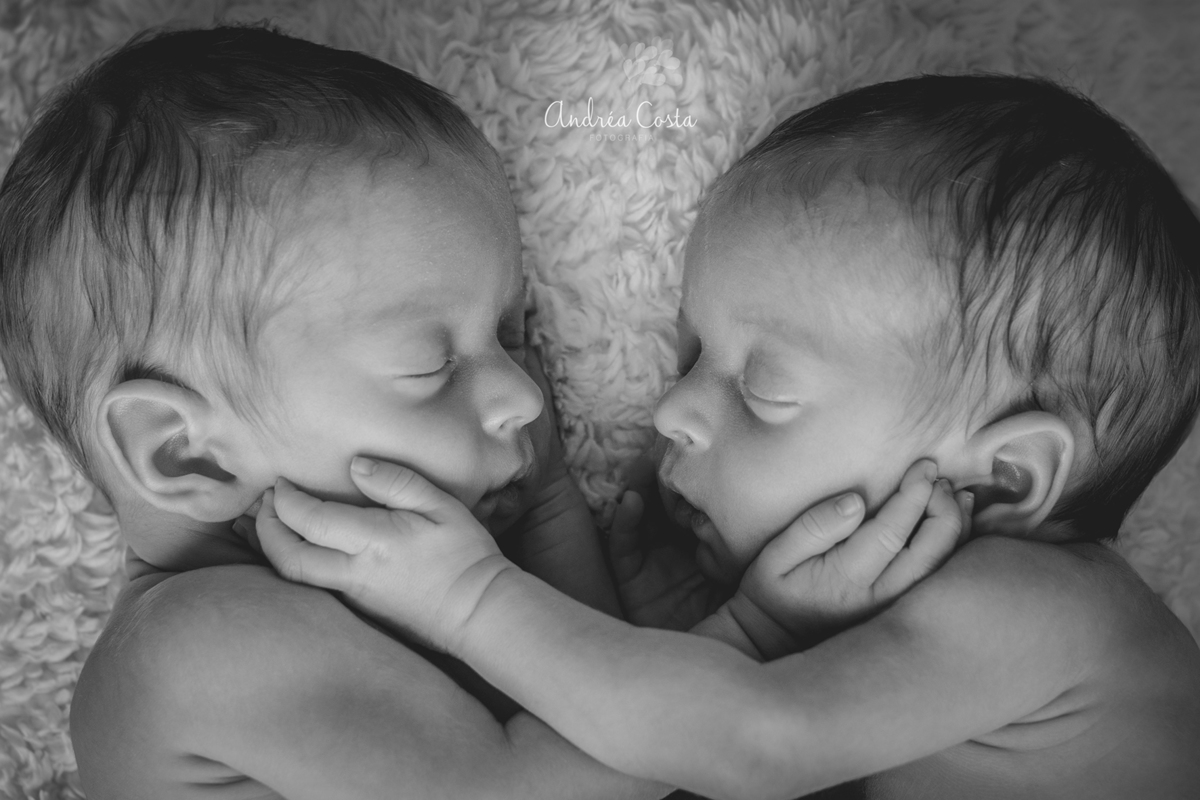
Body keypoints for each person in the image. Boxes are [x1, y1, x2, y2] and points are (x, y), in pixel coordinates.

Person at [0, 24, 947, 800]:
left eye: (508, 333)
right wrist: (757, 634)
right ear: (186, 454)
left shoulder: (348, 595)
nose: (522, 393)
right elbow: (548, 779)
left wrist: (546, 501)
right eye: (432, 362)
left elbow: (568, 697)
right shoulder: (198, 645)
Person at [254, 75, 1200, 799]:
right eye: (690, 357)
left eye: (762, 388)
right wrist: (695, 636)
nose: (673, 411)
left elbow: (748, 749)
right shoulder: (891, 649)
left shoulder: (1038, 609)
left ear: (1003, 478)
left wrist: (467, 597)